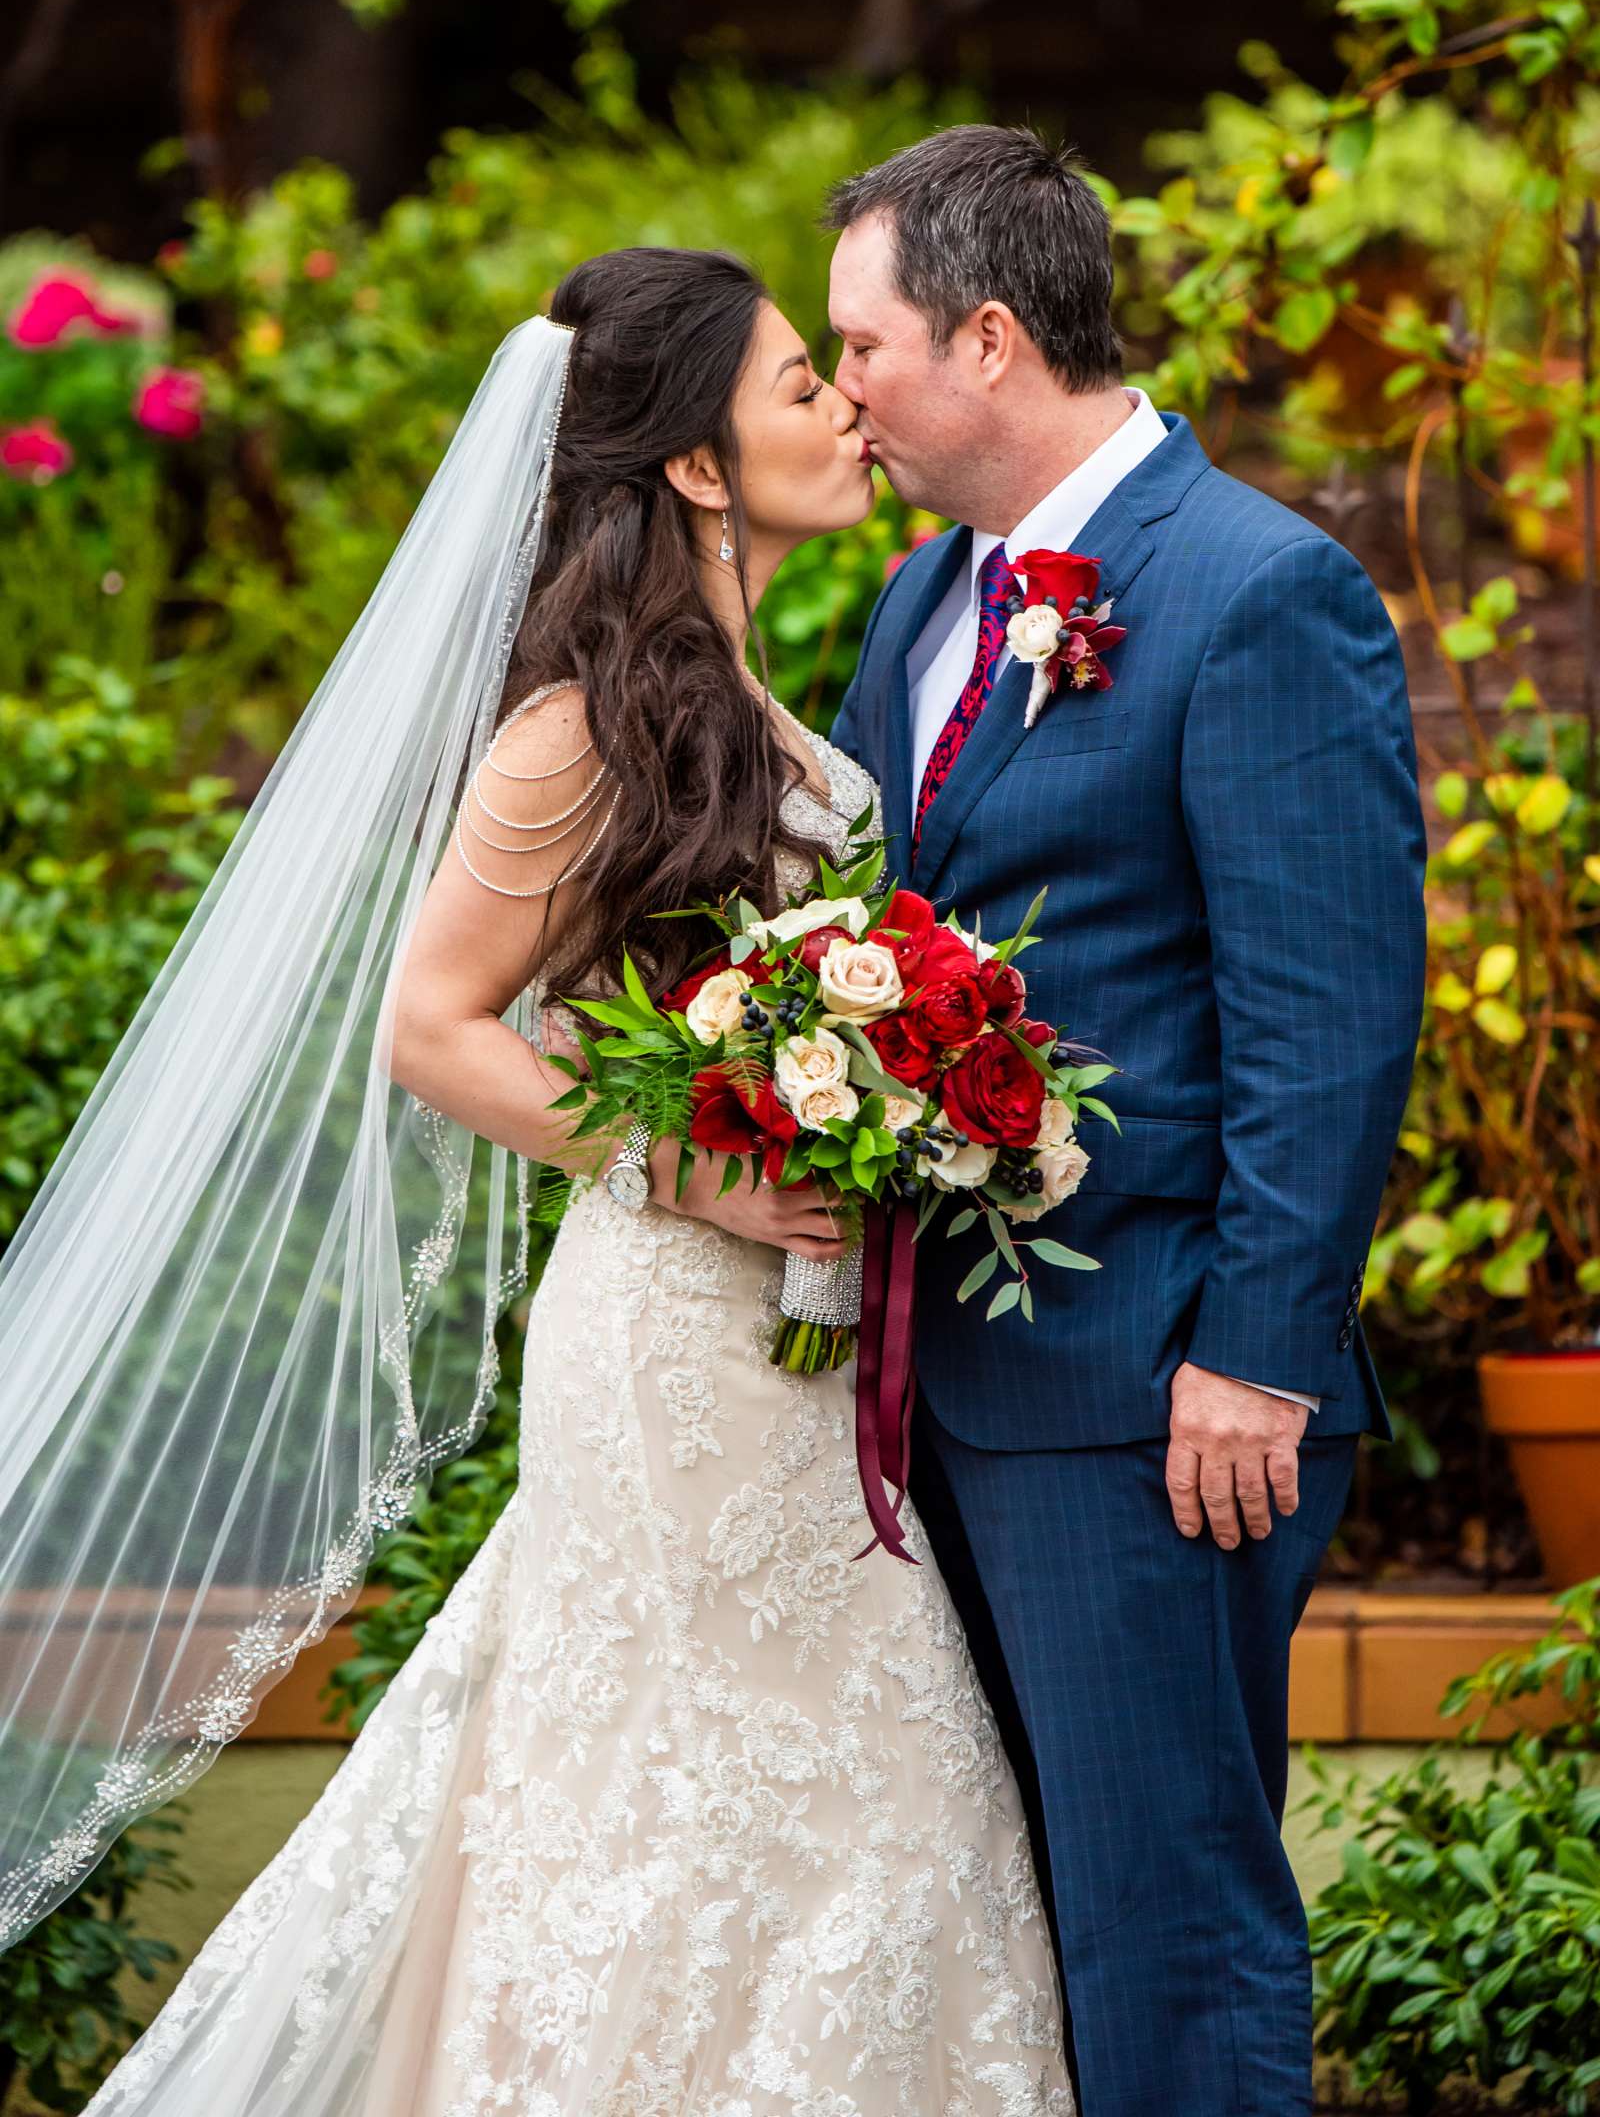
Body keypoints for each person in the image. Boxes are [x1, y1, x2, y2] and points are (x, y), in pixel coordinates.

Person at [56, 247, 1077, 2115]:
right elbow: (433, 1024)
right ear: (693, 465)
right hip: (671, 1343)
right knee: (704, 1802)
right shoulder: (582, 720)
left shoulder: (760, 688)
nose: (845, 406)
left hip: (802, 1350)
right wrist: (696, 1174)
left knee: (858, 1808)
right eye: (797, 386)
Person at [828, 124, 1429, 2117]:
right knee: (992, 1933)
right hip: (931, 1390)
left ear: (985, 337)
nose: (842, 395)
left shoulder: (1261, 592)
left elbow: (1323, 1016)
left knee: (1162, 1932)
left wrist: (1254, 1358)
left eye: (860, 346)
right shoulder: (919, 600)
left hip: (1148, 1404)